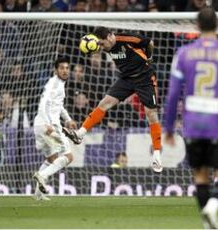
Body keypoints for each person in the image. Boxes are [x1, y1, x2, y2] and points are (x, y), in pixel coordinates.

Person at [163, 7, 218, 229]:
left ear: (197, 27)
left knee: (200, 177)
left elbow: (172, 95)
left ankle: (208, 222)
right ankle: (213, 207)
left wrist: (168, 128)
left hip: (193, 126)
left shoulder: (183, 54)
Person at [63, 27, 163, 173]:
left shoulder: (128, 39)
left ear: (110, 37)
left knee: (151, 114)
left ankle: (157, 155)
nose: (101, 48)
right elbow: (94, 48)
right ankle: (80, 134)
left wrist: (149, 58)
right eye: (100, 45)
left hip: (144, 78)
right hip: (126, 78)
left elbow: (150, 43)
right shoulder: (104, 46)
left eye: (102, 44)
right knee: (104, 103)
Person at [33, 57, 77, 201]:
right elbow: (44, 104)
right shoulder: (54, 84)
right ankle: (42, 176)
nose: (65, 70)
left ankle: (38, 195)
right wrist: (49, 125)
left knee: (51, 159)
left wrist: (68, 119)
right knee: (68, 157)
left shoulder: (58, 84)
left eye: (67, 68)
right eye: (62, 68)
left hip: (39, 125)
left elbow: (58, 105)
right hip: (49, 125)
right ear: (56, 70)